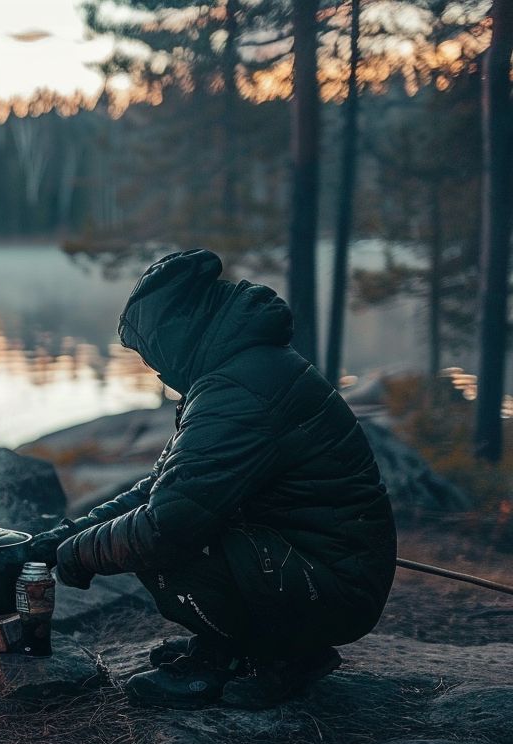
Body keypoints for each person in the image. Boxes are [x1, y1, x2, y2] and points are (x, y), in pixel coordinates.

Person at [31, 249, 397, 710]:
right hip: (319, 568)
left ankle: (275, 659)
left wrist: (79, 556)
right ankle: (231, 647)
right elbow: (163, 486)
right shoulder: (242, 369)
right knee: (170, 528)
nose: (160, 373)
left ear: (178, 337)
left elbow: (169, 522)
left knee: (167, 546)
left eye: (154, 355)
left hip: (333, 586)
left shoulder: (238, 390)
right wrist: (65, 536)